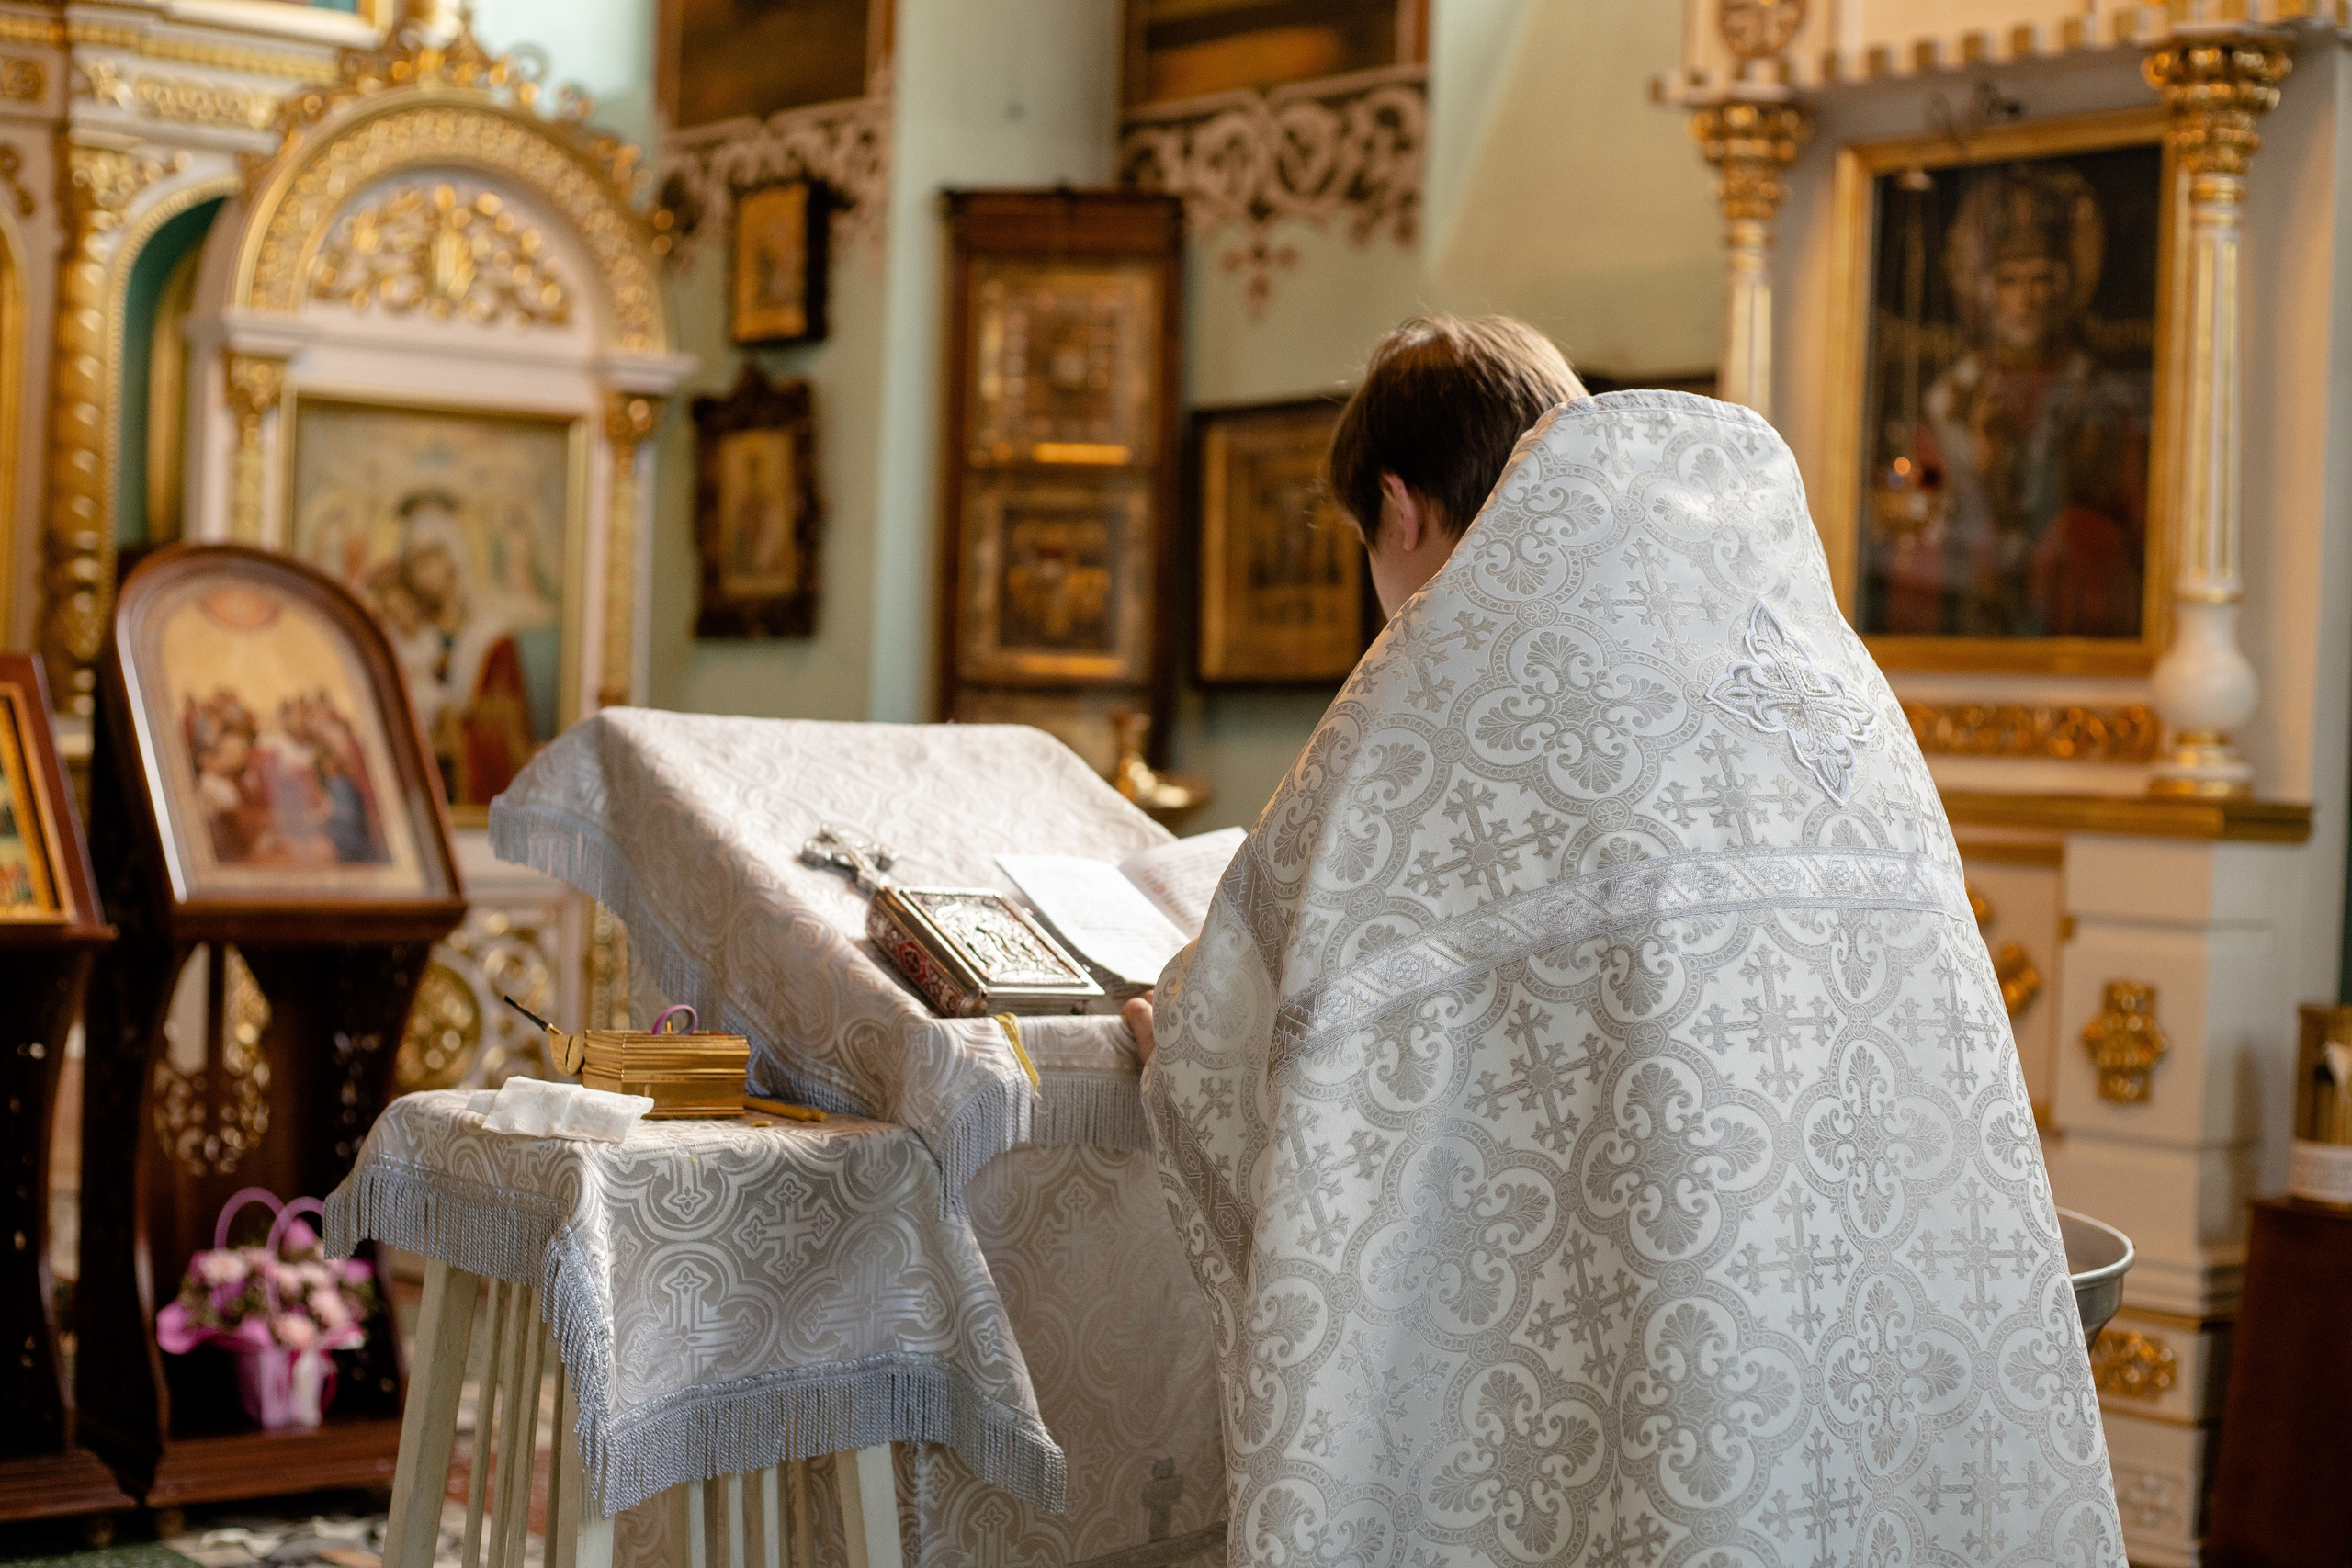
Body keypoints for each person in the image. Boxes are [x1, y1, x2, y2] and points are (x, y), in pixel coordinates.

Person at [1128, 316, 2122, 1566]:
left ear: (1399, 508)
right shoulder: (1806, 661)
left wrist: (1178, 1035)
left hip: (1633, 1312)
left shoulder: (1437, 703)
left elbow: (1248, 1019)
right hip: (1846, 1322)